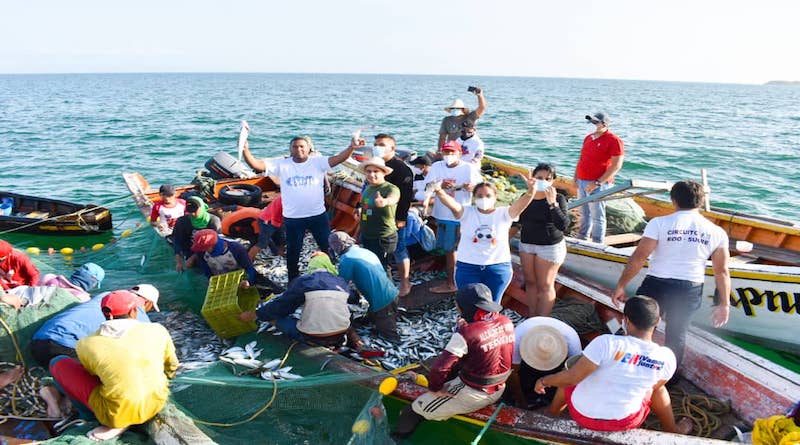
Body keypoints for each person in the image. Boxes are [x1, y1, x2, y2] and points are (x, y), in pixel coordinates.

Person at [611, 180, 730, 370]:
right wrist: (724, 304)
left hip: (656, 285)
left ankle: (624, 365)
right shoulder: (716, 232)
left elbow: (639, 257)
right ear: (700, 202)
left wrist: (621, 285)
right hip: (689, 289)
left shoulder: (659, 223)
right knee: (676, 335)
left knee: (638, 326)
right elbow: (722, 271)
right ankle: (668, 378)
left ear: (673, 201)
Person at [44, 290, 178, 441]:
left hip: (115, 416)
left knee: (58, 362)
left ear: (105, 314)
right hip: (157, 403)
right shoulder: (158, 329)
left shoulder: (86, 343)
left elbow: (91, 376)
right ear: (134, 312)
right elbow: (172, 365)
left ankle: (88, 417)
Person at [535, 296, 679, 433]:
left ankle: (552, 414)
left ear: (626, 320)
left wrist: (544, 381)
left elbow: (571, 378)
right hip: (625, 421)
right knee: (658, 389)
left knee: (569, 374)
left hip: (584, 416)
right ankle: (672, 430)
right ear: (658, 321)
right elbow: (653, 387)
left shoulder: (606, 342)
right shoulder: (667, 357)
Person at [393, 284, 513, 438]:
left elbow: (439, 369)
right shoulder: (506, 321)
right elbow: (487, 341)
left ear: (461, 307)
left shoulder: (466, 334)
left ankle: (395, 439)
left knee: (411, 411)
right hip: (500, 386)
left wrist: (436, 389)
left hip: (475, 394)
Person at [241, 136, 361, 281]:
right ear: (290, 150)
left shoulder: (318, 162)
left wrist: (352, 147)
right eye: (295, 147)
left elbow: (339, 158)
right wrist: (245, 149)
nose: (299, 149)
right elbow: (257, 165)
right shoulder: (282, 164)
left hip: (318, 216)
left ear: (309, 148)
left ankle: (334, 274)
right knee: (293, 251)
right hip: (293, 219)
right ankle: (293, 279)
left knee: (327, 246)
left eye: (302, 146)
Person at [431, 176, 536, 303]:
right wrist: (438, 190)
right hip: (467, 267)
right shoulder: (467, 212)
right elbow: (451, 204)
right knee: (466, 304)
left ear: (495, 197)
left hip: (498, 268)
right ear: (474, 198)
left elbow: (522, 203)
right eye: (480, 196)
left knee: (492, 304)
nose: (484, 199)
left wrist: (531, 191)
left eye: (488, 195)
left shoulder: (504, 213)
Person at [238, 252, 359, 348]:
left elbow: (281, 307)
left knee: (273, 316)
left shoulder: (304, 282)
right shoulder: (340, 282)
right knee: (346, 313)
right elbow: (354, 299)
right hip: (340, 333)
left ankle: (312, 342)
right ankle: (352, 339)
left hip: (312, 337)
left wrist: (256, 314)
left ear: (312, 266)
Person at [30, 284, 160, 367]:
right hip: (64, 349)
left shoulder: (106, 295)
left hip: (38, 342)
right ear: (147, 303)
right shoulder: (139, 317)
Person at [424, 141, 483, 294]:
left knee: (452, 250)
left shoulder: (468, 168)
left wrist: (472, 187)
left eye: (452, 152)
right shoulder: (437, 167)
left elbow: (481, 188)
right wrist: (440, 185)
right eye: (446, 152)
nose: (449, 156)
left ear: (460, 153)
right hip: (441, 213)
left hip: (458, 216)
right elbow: (427, 185)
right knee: (446, 247)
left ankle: (451, 283)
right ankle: (452, 279)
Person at [518, 163, 570, 316]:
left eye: (548, 178)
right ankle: (533, 317)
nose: (543, 181)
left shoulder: (559, 198)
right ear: (532, 178)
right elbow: (516, 219)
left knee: (545, 285)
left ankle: (543, 320)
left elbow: (563, 225)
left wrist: (552, 203)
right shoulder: (526, 196)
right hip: (527, 244)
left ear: (553, 181)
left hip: (549, 246)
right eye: (539, 178)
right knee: (531, 282)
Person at [328, 231, 400, 341]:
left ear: (337, 247)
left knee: (389, 335)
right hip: (392, 291)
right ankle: (376, 318)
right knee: (378, 312)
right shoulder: (363, 251)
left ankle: (390, 337)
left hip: (382, 301)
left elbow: (341, 286)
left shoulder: (346, 259)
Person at [371, 133, 415, 296]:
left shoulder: (402, 169)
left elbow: (406, 195)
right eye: (375, 144)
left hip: (394, 216)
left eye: (382, 144)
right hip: (375, 215)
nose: (377, 147)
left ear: (392, 148)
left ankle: (405, 282)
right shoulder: (376, 164)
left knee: (399, 248)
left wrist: (401, 218)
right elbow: (367, 188)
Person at [506, 317, 581, 409]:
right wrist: (520, 400)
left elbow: (575, 374)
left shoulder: (572, 340)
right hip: (526, 363)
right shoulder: (517, 338)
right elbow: (512, 372)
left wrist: (550, 381)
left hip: (557, 365)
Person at [573, 112, 624, 244]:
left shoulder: (613, 140)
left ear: (604, 125)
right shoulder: (588, 138)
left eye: (595, 122)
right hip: (582, 181)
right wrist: (575, 177)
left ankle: (597, 243)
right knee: (584, 213)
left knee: (597, 216)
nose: (592, 125)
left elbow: (616, 165)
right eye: (591, 122)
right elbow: (581, 159)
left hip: (599, 184)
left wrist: (597, 182)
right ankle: (582, 238)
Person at [358, 157, 400, 273]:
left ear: (383, 172)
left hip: (383, 238)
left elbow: (394, 198)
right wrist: (360, 212)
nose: (371, 174)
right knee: (371, 266)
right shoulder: (368, 188)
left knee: (383, 268)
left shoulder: (391, 188)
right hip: (367, 236)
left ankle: (389, 291)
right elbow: (365, 206)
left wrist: (385, 202)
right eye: (369, 171)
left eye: (376, 171)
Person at [191, 229, 256, 286]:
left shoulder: (236, 249)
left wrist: (248, 281)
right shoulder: (201, 253)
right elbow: (207, 270)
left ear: (211, 246)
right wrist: (211, 281)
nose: (202, 250)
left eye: (204, 248)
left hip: (239, 279)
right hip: (220, 281)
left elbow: (249, 268)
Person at [172, 196, 222, 272]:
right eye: (190, 211)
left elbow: (216, 243)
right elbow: (177, 241)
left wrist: (194, 257)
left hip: (209, 250)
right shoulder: (182, 221)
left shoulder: (214, 221)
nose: (192, 214)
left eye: (195, 211)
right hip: (190, 250)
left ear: (202, 208)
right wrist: (178, 262)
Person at [38, 262, 105, 301]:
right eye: (95, 284)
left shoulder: (49, 278)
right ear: (92, 280)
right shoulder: (83, 298)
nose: (93, 286)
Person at [248, 196, 286, 260]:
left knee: (281, 241)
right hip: (267, 220)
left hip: (278, 221)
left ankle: (280, 257)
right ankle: (248, 262)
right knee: (262, 243)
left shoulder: (291, 197)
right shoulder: (288, 200)